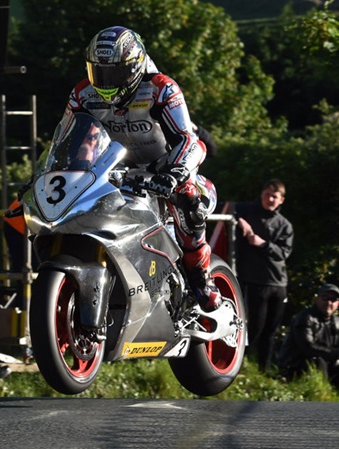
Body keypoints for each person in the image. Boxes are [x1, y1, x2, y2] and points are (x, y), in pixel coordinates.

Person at [61, 25, 221, 311]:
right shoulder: (83, 94)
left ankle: (199, 276)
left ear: (134, 68)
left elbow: (189, 140)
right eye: (99, 73)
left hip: (166, 167)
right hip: (116, 171)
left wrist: (173, 174)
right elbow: (72, 143)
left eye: (114, 74)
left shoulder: (161, 88)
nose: (105, 82)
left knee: (188, 199)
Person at [234, 179, 294, 372]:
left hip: (278, 284)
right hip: (254, 282)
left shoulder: (285, 225)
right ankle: (239, 367)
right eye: (267, 194)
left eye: (274, 196)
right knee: (254, 328)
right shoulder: (248, 211)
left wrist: (262, 243)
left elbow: (283, 253)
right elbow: (225, 207)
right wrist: (239, 220)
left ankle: (264, 370)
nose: (270, 199)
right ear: (261, 195)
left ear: (281, 200)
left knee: (271, 331)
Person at [277, 283, 339, 386]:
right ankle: (320, 394)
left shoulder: (336, 322)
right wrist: (335, 354)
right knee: (318, 361)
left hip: (326, 366)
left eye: (333, 299)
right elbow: (307, 348)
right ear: (317, 299)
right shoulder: (305, 317)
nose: (329, 302)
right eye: (325, 298)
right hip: (294, 366)